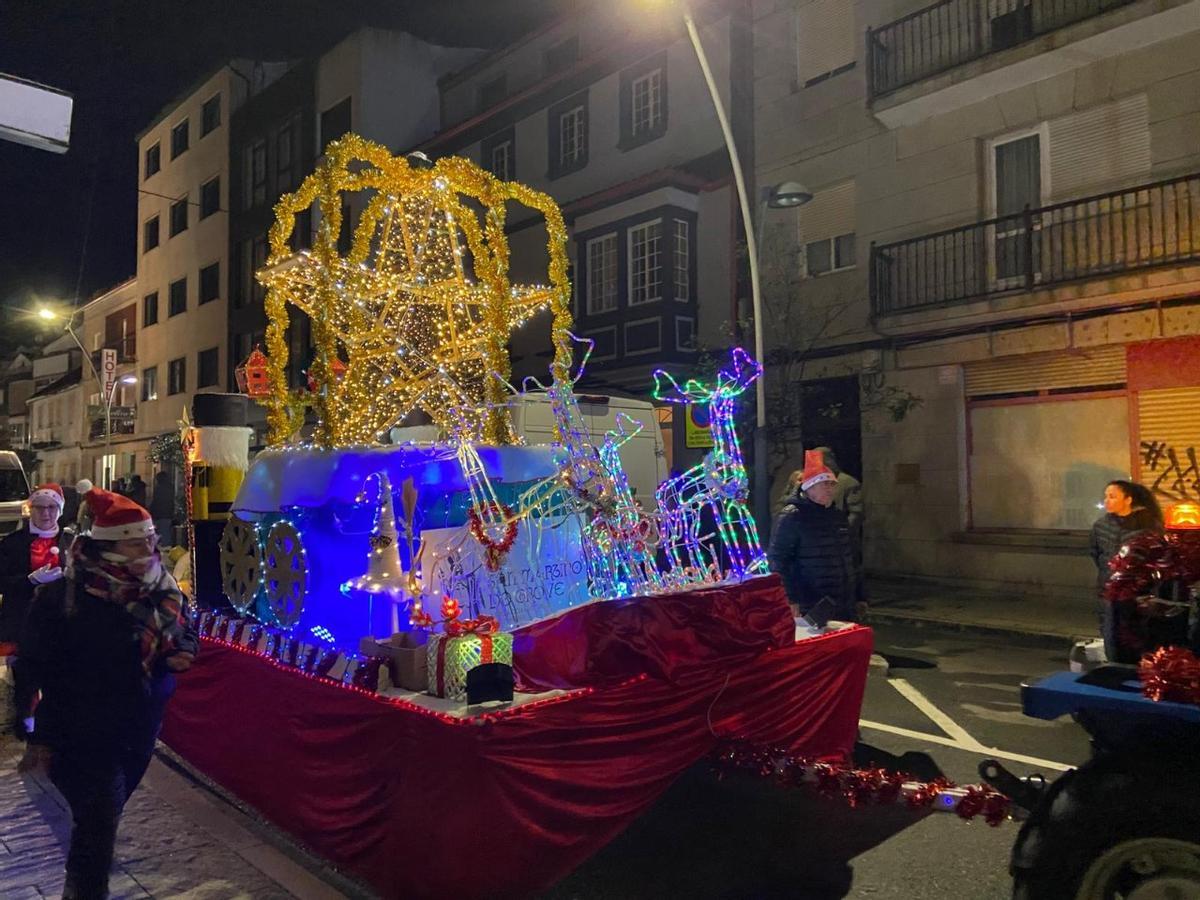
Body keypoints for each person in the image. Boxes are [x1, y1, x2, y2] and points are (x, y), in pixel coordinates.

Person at [14, 487, 197, 900]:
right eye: (138, 541)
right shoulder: (62, 598)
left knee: (102, 819)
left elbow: (187, 628)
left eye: (151, 539)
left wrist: (184, 650)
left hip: (139, 727)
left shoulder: (160, 586)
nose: (150, 548)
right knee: (96, 829)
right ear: (108, 546)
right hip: (81, 732)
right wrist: (34, 733)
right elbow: (32, 665)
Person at [767, 450, 861, 624]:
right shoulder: (792, 516)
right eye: (824, 484)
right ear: (809, 487)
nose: (830, 489)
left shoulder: (837, 517)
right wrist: (789, 598)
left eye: (832, 484)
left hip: (842, 603)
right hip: (810, 604)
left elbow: (851, 557)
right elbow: (778, 559)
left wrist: (860, 594)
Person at [1089, 479, 1163, 662]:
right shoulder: (1101, 526)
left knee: (1136, 636)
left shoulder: (1147, 526)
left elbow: (1157, 557)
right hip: (1108, 590)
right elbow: (1095, 553)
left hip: (1138, 593)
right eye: (1105, 496)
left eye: (1112, 496)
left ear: (1128, 499)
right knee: (1109, 632)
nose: (1107, 501)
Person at [0, 484, 72, 654]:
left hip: (61, 623)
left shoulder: (71, 541)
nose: (45, 513)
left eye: (52, 507)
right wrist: (29, 580)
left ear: (60, 510)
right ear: (30, 509)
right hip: (21, 622)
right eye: (39, 507)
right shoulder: (12, 543)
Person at [815, 447, 864, 563]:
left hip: (842, 542)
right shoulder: (812, 485)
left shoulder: (848, 483)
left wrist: (844, 531)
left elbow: (856, 512)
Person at [148, 471, 175, 545]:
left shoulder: (159, 488)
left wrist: (151, 510)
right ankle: (165, 545)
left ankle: (162, 545)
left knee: (160, 531)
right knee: (165, 531)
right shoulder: (170, 487)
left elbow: (155, 501)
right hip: (166, 513)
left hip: (159, 514)